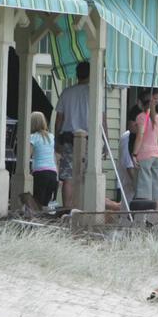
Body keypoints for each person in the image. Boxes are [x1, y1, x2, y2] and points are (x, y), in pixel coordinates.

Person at [53, 62, 90, 209]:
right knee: (87, 175)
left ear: (77, 74)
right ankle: (82, 208)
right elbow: (102, 119)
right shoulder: (94, 93)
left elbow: (59, 120)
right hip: (88, 140)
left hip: (68, 139)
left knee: (68, 176)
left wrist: (56, 140)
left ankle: (67, 209)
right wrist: (104, 141)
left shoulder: (66, 93)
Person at [132, 88, 158, 202]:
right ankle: (156, 208)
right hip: (156, 154)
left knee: (144, 183)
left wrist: (135, 153)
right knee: (156, 183)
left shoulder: (142, 117)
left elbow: (140, 135)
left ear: (141, 103)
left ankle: (145, 210)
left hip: (144, 154)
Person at [27, 111, 58, 208]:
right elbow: (53, 156)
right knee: (45, 203)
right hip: (53, 173)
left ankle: (34, 221)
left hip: (40, 173)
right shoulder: (51, 137)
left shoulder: (33, 137)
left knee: (37, 202)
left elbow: (28, 155)